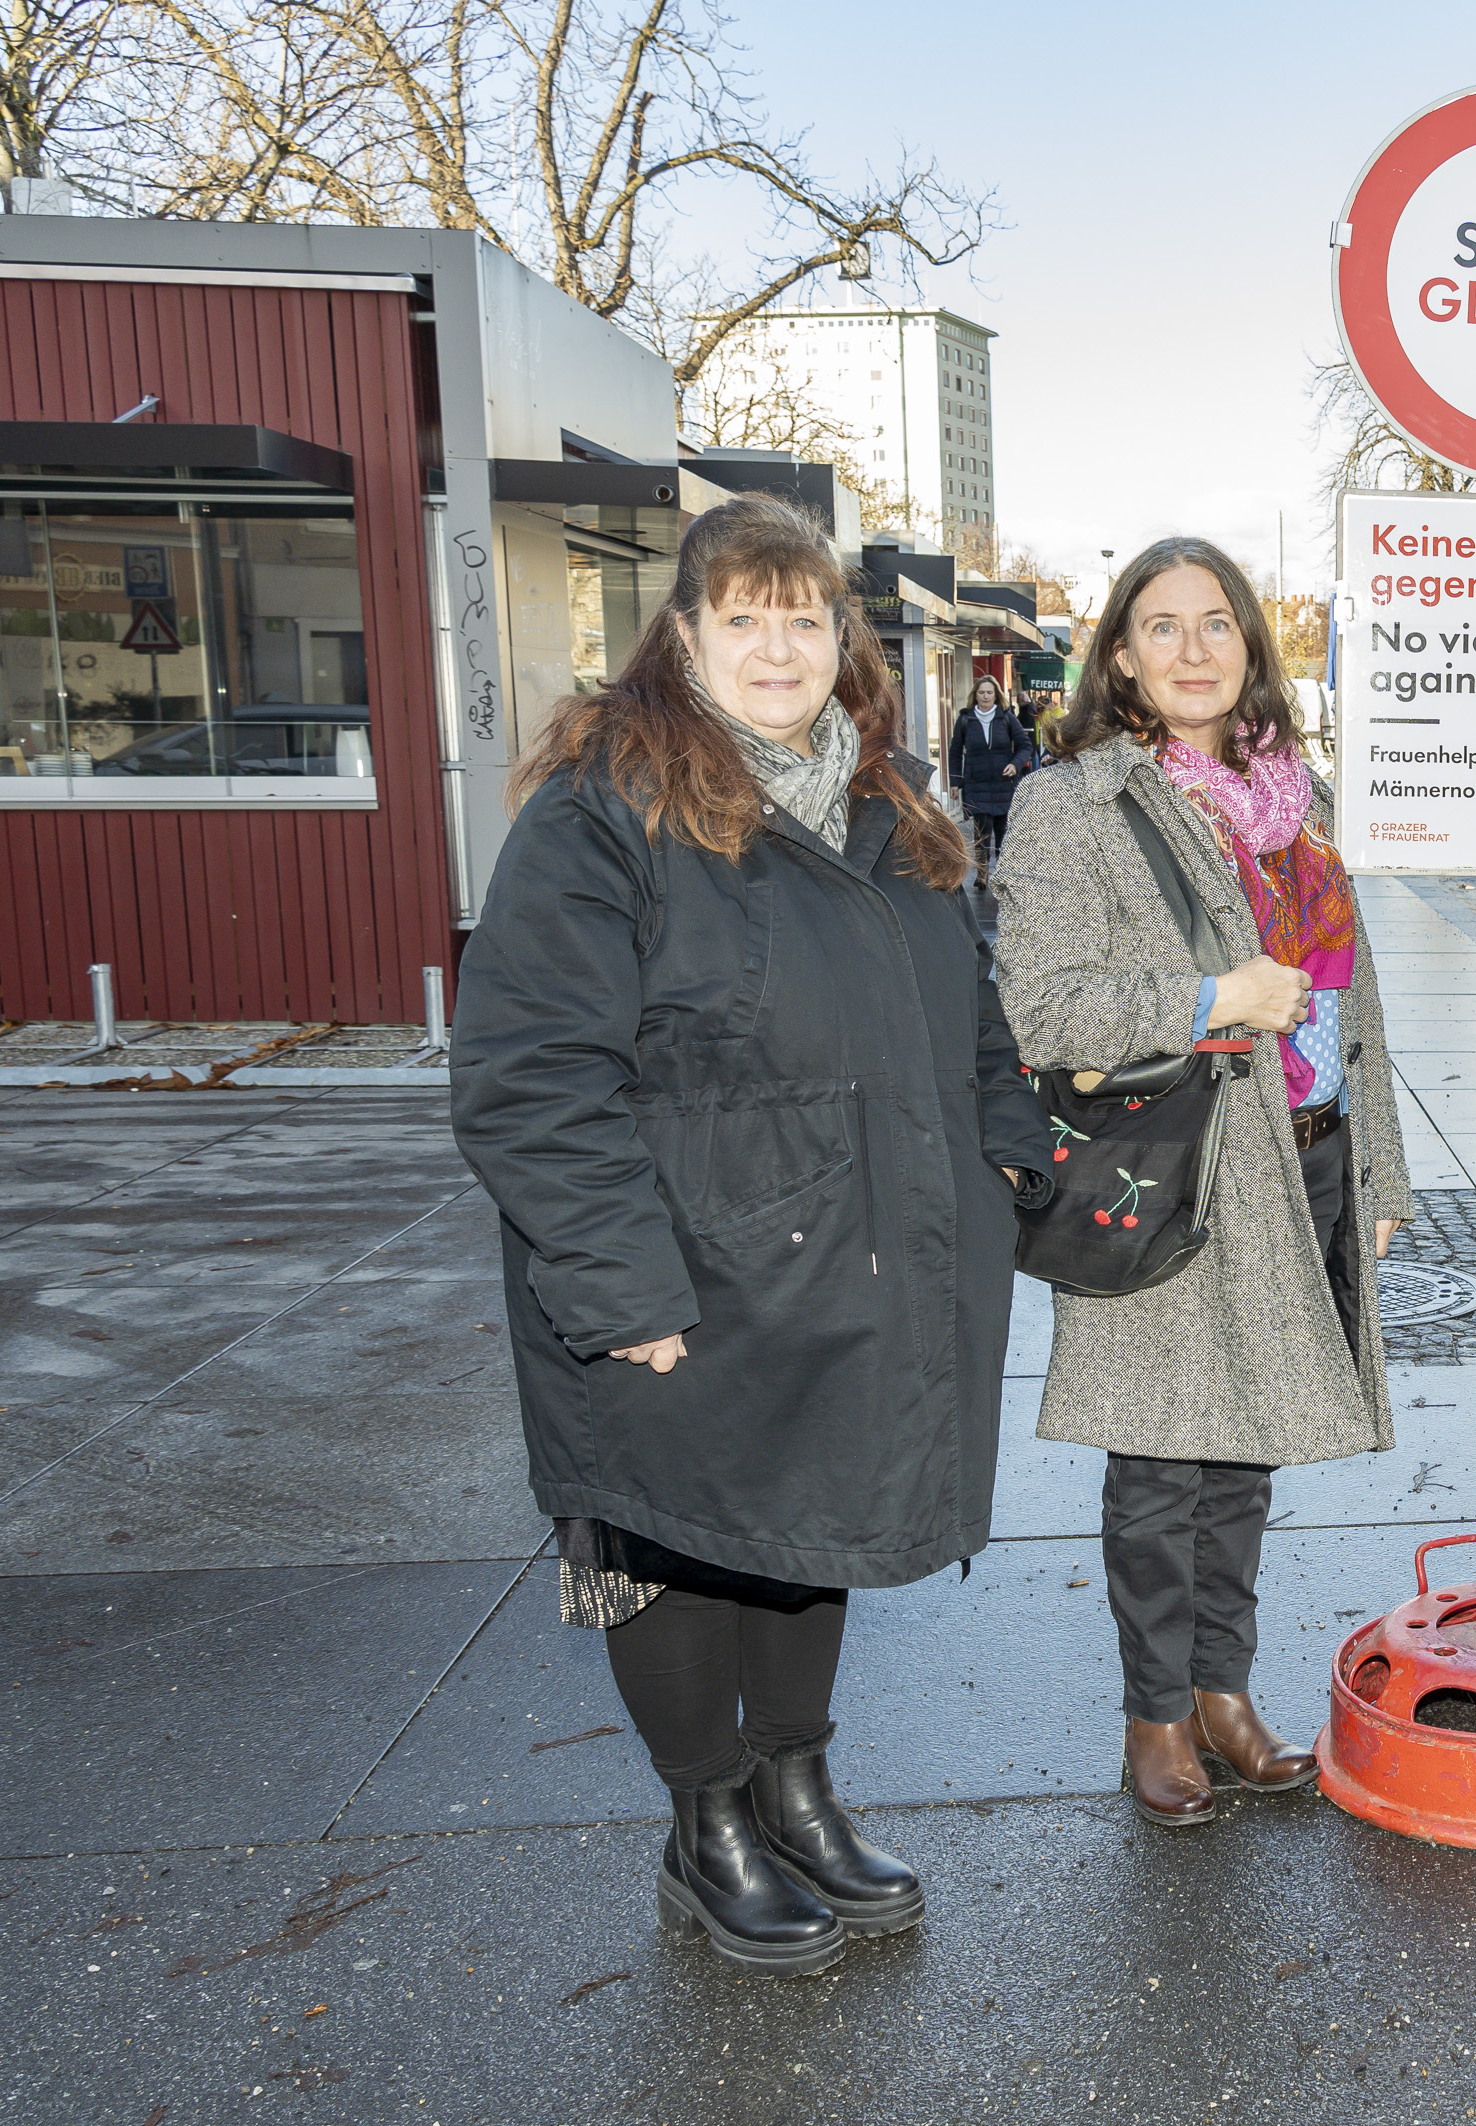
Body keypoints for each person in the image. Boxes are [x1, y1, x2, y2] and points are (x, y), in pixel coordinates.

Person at [449, 493, 1049, 1974]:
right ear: (685, 632)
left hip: (851, 1261)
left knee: (805, 1529)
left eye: (803, 615)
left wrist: (1012, 1157)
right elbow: (530, 1077)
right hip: (678, 1272)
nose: (777, 646)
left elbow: (968, 1020)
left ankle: (796, 1785)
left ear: (838, 631)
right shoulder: (602, 808)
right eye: (744, 616)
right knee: (682, 1541)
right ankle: (706, 1819)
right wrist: (618, 1280)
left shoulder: (886, 803)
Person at [993, 537, 1414, 1828]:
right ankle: (1158, 1714)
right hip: (1174, 1169)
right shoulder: (1074, 801)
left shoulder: (1302, 795)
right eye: (1160, 626)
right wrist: (1209, 999)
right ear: (1117, 652)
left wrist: (1382, 1164)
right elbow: (1043, 1004)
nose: (1190, 650)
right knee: (1164, 1459)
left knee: (1249, 1453)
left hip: (1304, 1159)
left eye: (1215, 624)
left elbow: (1355, 1002)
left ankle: (1226, 1692)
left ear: (1250, 645)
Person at [949, 672, 1033, 870]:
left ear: (996, 695)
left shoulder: (1006, 718)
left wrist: (1015, 764)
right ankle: (982, 871)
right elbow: (955, 752)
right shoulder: (965, 720)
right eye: (982, 692)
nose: (986, 696)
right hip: (976, 783)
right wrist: (955, 781)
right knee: (981, 830)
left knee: (1003, 831)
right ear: (975, 695)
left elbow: (1025, 746)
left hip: (1003, 783)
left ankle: (1003, 872)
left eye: (989, 692)